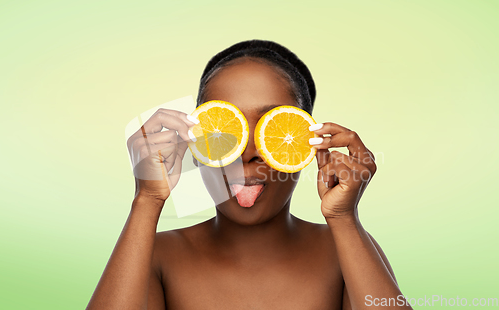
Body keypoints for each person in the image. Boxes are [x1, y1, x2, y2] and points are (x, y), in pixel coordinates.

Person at [86, 40, 413, 309]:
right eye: (225, 130)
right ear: (193, 141)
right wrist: (147, 199)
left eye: (273, 130)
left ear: (306, 144)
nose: (248, 152)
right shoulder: (156, 255)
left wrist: (344, 218)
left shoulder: (346, 249)